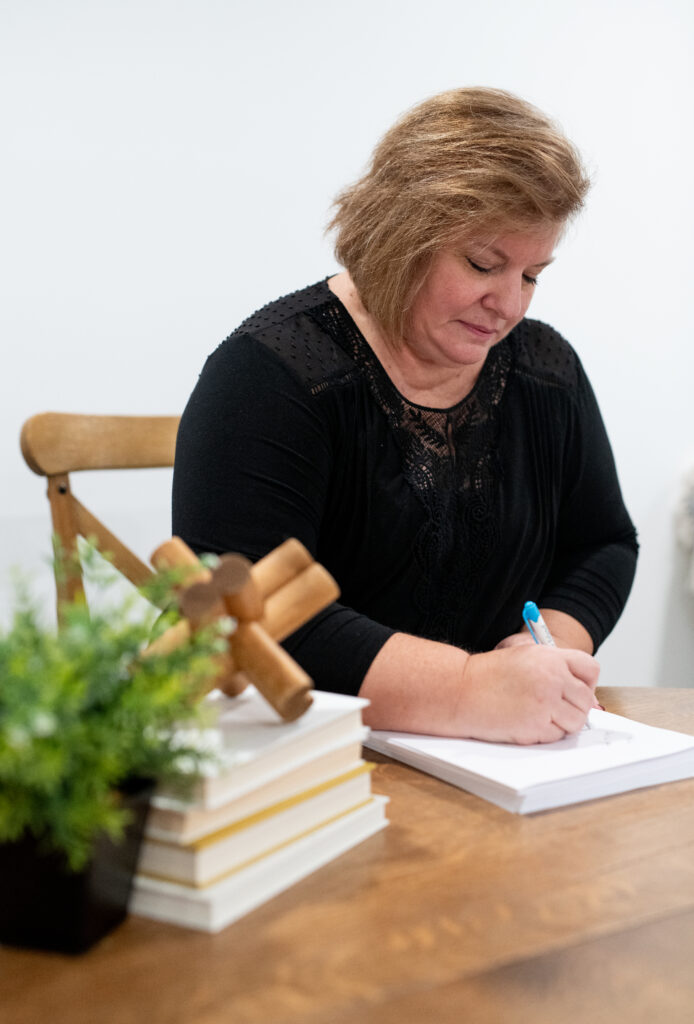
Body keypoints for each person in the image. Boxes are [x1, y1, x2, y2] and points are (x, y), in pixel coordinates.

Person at [173, 87, 638, 745]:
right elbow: (248, 614)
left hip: (502, 751)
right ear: (403, 233)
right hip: (314, 760)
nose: (508, 305)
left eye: (533, 274)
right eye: (483, 263)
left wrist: (542, 650)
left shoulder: (544, 368)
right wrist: (468, 689)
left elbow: (603, 543)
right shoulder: (272, 377)